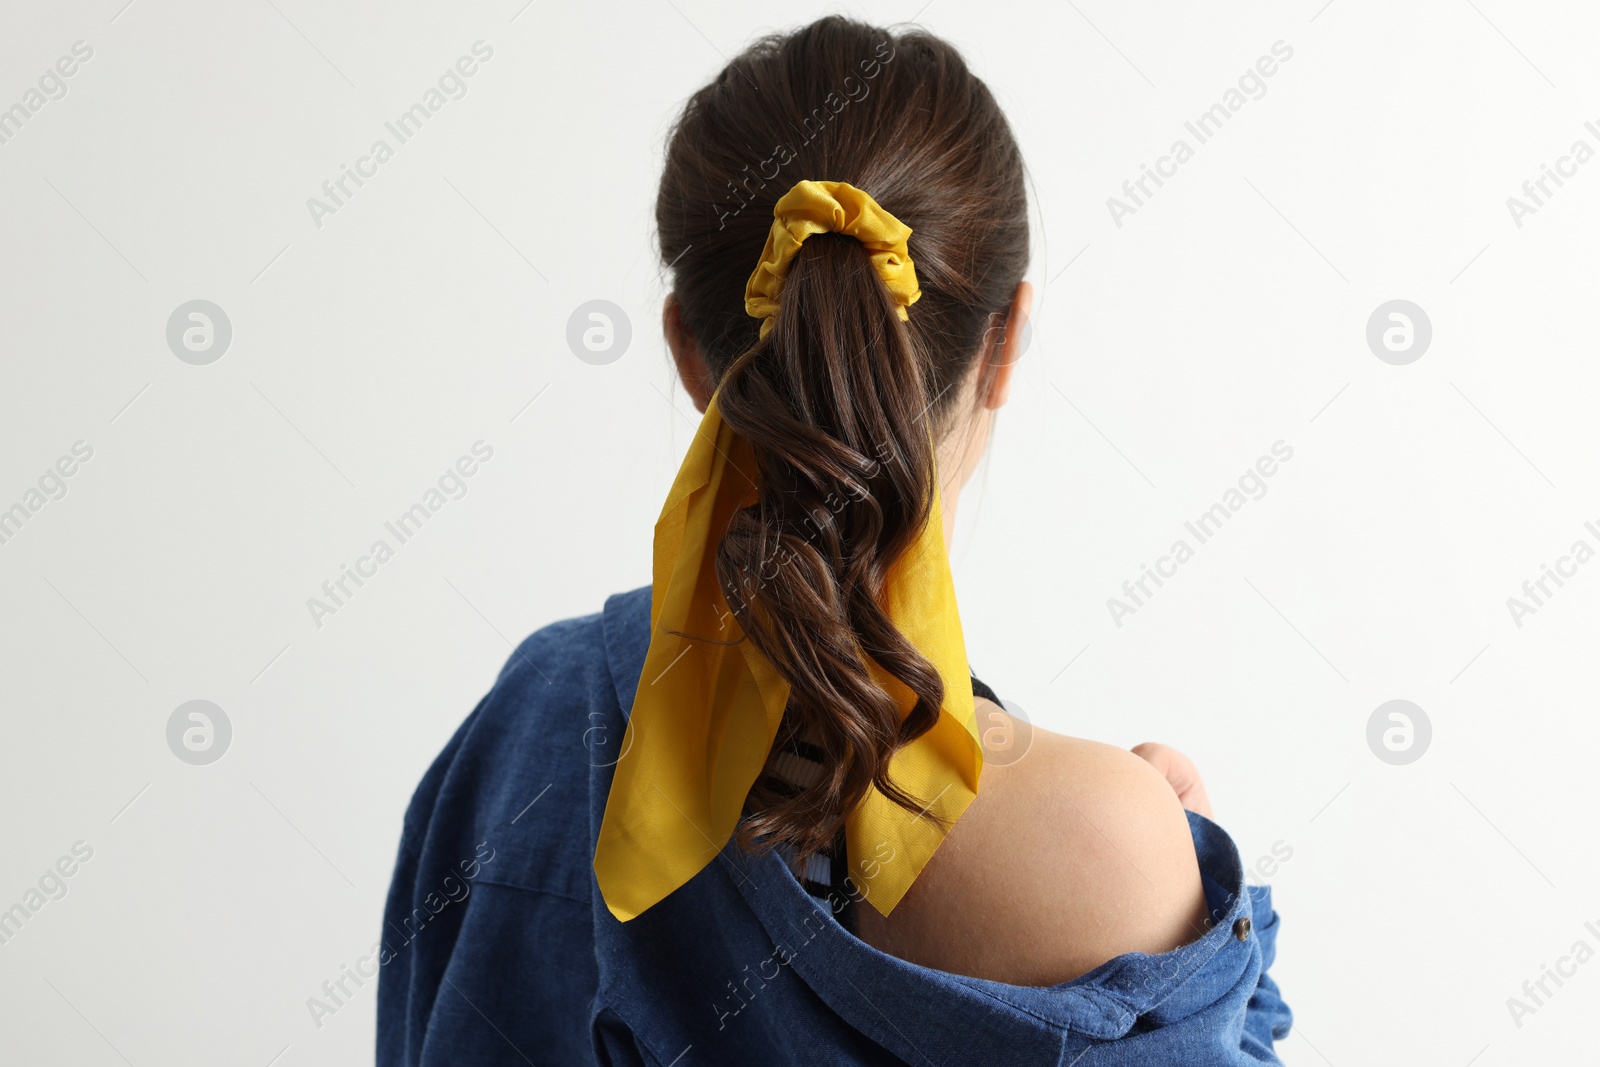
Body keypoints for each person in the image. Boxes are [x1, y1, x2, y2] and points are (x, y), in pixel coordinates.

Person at [378, 16, 1291, 1066]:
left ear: (688, 350)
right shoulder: (1102, 844)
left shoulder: (525, 732)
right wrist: (1216, 949)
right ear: (1004, 344)